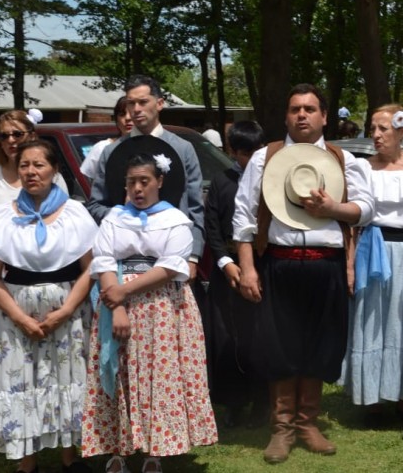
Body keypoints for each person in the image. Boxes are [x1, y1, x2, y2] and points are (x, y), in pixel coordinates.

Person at [232, 83, 374, 463]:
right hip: (278, 263)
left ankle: (308, 423)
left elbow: (366, 209)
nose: (302, 115)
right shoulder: (265, 158)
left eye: (310, 109)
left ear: (324, 116)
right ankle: (281, 428)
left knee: (319, 345)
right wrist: (247, 268)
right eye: (295, 108)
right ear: (285, 116)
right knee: (279, 345)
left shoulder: (345, 160)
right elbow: (243, 218)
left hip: (325, 266)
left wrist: (333, 208)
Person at [82, 153, 217, 473]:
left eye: (145, 181)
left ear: (159, 182)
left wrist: (125, 291)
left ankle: (156, 447)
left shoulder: (175, 220)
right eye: (132, 182)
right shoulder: (115, 218)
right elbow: (103, 261)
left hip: (162, 308)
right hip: (117, 304)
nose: (138, 189)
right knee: (120, 373)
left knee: (160, 375)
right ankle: (118, 445)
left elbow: (171, 265)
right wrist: (117, 306)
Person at [0, 139, 98, 473]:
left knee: (66, 379)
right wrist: (19, 317)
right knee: (22, 382)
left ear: (55, 169)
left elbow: (90, 268)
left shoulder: (75, 213)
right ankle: (26, 462)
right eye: (25, 165)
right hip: (16, 314)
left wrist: (65, 310)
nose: (31, 172)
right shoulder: (2, 216)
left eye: (39, 165)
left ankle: (70, 459)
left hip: (67, 311)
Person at [340, 104, 403, 419]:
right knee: (373, 321)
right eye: (372, 128)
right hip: (373, 250)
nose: (375, 135)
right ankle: (372, 395)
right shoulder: (362, 168)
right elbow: (352, 223)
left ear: (401, 131)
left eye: (382, 129)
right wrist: (349, 262)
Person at [0, 109, 69, 410]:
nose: (11, 140)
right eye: (4, 135)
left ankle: (43, 404)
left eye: (17, 134)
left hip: (38, 277)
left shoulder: (53, 178)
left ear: (31, 135)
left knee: (39, 341)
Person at [86, 75, 204, 282]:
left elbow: (195, 207)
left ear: (159, 104)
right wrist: (121, 214)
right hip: (123, 263)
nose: (136, 109)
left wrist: (193, 257)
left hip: (171, 259)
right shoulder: (111, 152)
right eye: (131, 103)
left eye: (143, 102)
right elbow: (95, 205)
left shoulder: (183, 149)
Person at [196, 120, 268, 427]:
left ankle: (262, 401)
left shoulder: (272, 182)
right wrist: (227, 263)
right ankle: (232, 402)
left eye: (256, 152)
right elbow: (211, 227)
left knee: (260, 336)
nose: (250, 159)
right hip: (228, 269)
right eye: (243, 153)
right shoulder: (222, 182)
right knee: (226, 336)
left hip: (261, 268)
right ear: (232, 151)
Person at [80, 96, 133, 180]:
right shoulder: (102, 148)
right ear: (116, 119)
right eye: (122, 114)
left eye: (132, 113)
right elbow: (86, 181)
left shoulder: (153, 146)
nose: (127, 118)